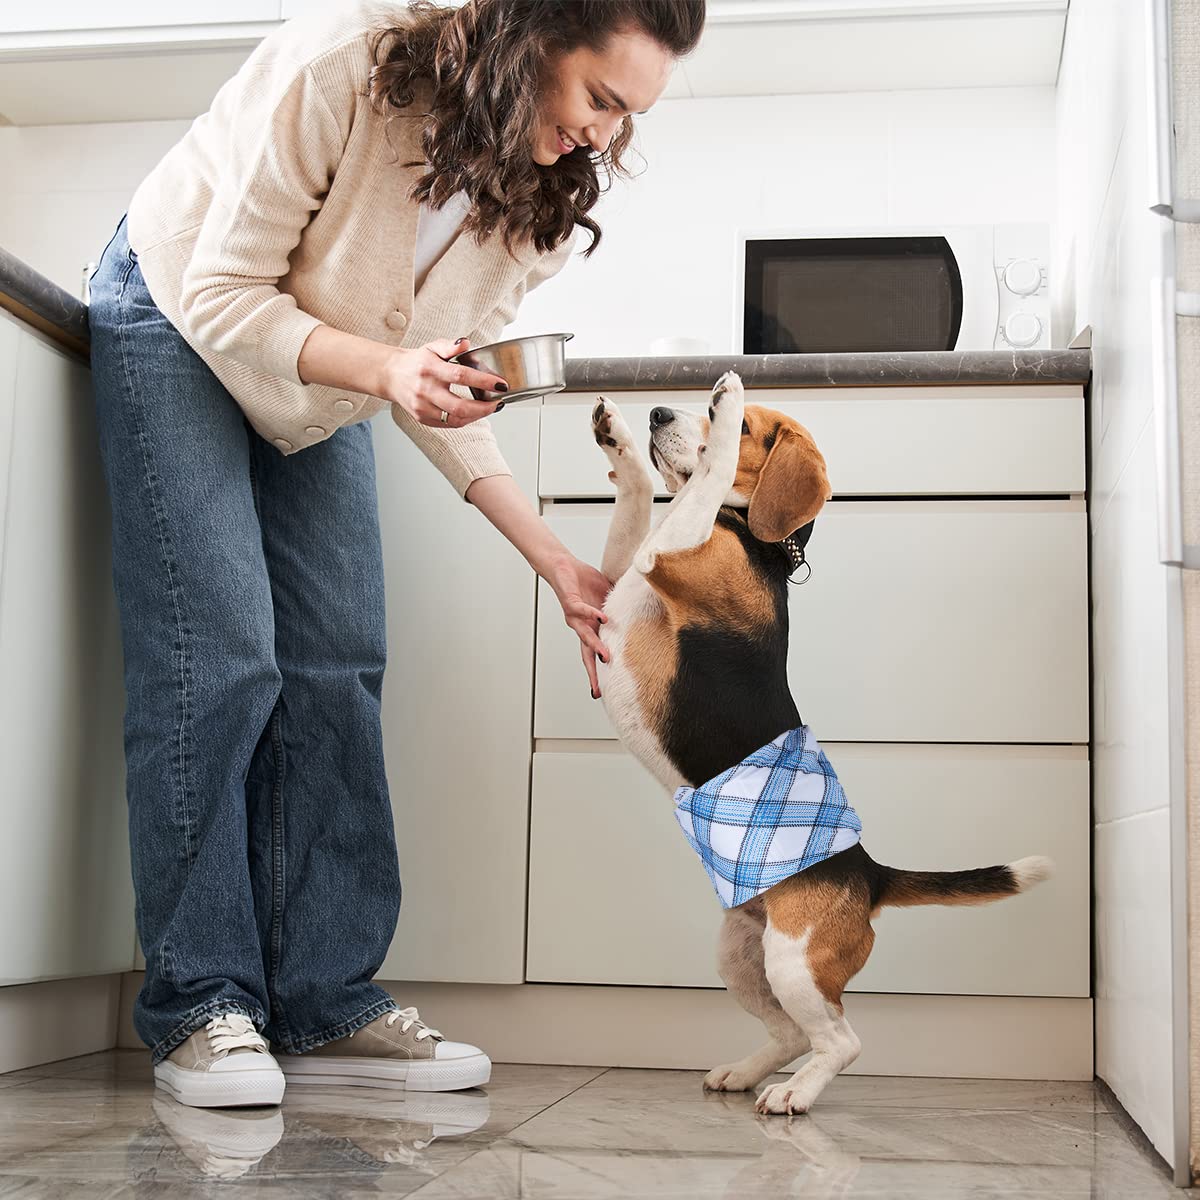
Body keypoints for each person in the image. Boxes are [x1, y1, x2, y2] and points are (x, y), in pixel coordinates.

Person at [86, 0, 704, 1110]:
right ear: (530, 39)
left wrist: (556, 562)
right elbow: (227, 293)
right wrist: (383, 371)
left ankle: (323, 1001)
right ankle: (201, 1005)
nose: (604, 137)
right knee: (221, 657)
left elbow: (447, 390)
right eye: (598, 99)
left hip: (317, 375)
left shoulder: (544, 200)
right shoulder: (351, 63)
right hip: (176, 313)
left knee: (340, 662)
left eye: (630, 117)